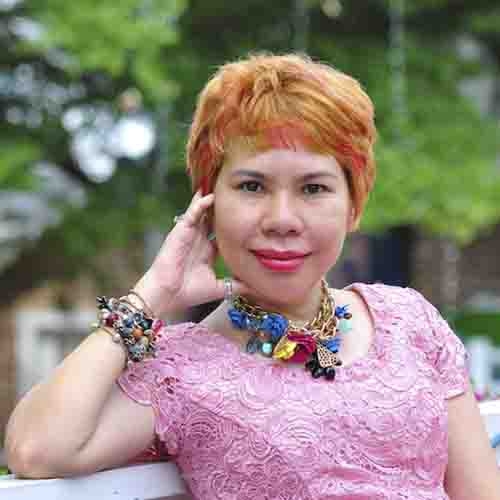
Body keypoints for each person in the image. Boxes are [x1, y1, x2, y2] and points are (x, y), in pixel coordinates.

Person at [5, 53, 500, 500]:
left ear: (353, 205)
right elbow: (35, 448)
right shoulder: (180, 370)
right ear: (208, 204)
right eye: (252, 186)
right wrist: (154, 291)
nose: (282, 219)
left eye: (313, 188)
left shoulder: (409, 320)